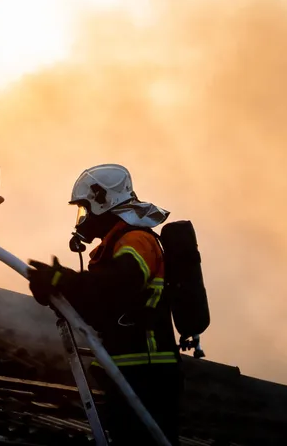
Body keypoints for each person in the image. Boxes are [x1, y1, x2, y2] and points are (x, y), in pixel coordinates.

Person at [27, 164, 181, 445]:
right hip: (128, 370)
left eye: (85, 209)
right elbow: (100, 307)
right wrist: (56, 292)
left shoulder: (137, 240)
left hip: (147, 372)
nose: (83, 218)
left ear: (103, 201)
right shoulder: (116, 246)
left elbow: (118, 285)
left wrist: (64, 280)